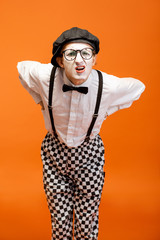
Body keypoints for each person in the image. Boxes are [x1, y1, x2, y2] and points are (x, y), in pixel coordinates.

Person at [17, 27, 145, 240]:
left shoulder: (108, 86)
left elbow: (138, 87)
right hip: (54, 154)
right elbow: (21, 68)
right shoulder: (45, 76)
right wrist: (39, 100)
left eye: (86, 53)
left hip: (90, 156)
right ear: (60, 60)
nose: (79, 60)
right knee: (60, 219)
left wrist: (107, 111)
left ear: (94, 59)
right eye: (71, 53)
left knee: (87, 220)